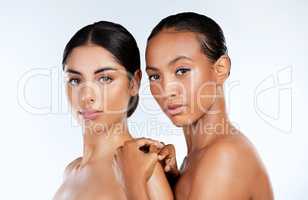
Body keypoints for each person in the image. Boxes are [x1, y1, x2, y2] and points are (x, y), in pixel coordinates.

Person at [114, 12, 274, 200]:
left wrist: (133, 181)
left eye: (182, 70)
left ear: (220, 69)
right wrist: (173, 181)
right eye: (155, 76)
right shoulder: (197, 158)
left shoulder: (225, 156)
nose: (166, 90)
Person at [53, 21, 174, 200]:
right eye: (75, 80)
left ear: (134, 83)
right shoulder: (71, 171)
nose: (86, 96)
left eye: (105, 79)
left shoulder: (147, 170)